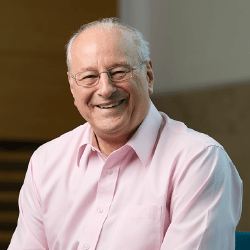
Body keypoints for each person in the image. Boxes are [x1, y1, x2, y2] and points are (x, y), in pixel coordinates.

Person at [8, 17, 242, 250]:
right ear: (72, 86)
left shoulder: (199, 160)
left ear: (148, 76)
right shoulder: (45, 162)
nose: (106, 89)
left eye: (119, 71)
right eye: (89, 77)